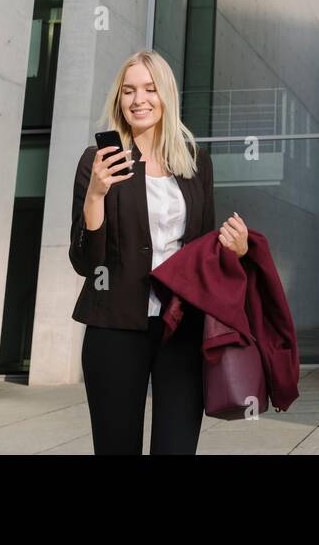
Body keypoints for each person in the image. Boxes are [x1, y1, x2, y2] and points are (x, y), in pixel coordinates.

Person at [68, 49, 249, 454]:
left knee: (177, 448)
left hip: (180, 328)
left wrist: (236, 251)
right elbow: (84, 261)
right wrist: (96, 194)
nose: (139, 100)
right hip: (114, 327)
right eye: (129, 91)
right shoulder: (97, 162)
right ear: (119, 99)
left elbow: (204, 251)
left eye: (150, 89)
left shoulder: (196, 162)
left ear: (166, 95)